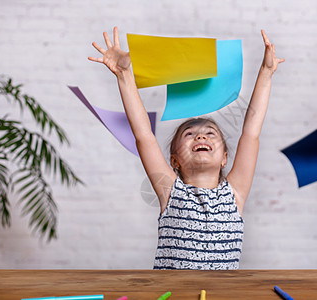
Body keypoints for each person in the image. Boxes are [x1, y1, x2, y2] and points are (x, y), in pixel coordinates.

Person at [89, 27, 284, 269]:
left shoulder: (235, 194)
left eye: (210, 133)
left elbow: (251, 134)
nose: (201, 136)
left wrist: (266, 73)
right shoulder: (170, 192)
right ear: (175, 161)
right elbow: (144, 136)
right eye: (189, 134)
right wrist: (123, 75)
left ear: (225, 157)